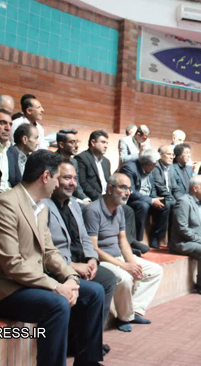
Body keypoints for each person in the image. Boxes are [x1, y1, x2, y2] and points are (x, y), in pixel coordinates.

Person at [0, 150, 106, 366]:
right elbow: (12, 265)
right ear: (46, 176)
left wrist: (71, 278)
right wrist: (56, 286)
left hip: (28, 282)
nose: (59, 184)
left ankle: (87, 362)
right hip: (2, 289)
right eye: (58, 178)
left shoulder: (40, 207)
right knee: (58, 304)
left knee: (95, 292)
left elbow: (50, 252)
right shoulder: (4, 205)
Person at [42, 161, 117, 354]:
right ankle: (82, 344)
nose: (72, 183)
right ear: (53, 179)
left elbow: (84, 237)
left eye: (75, 179)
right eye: (67, 178)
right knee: (94, 289)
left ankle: (90, 339)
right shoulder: (43, 206)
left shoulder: (75, 204)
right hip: (59, 268)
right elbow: (45, 249)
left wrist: (92, 259)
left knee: (108, 279)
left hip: (82, 262)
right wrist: (73, 266)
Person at [84, 173, 163, 332]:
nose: (128, 193)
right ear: (110, 188)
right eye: (123, 188)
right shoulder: (93, 210)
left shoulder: (119, 209)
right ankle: (124, 317)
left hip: (118, 257)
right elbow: (93, 248)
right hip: (101, 260)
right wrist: (124, 266)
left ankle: (135, 310)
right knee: (124, 278)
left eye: (129, 189)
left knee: (155, 270)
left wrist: (132, 264)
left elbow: (122, 240)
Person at [118, 149, 170, 247]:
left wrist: (155, 198)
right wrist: (151, 200)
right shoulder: (129, 168)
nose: (155, 166)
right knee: (143, 206)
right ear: (147, 164)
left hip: (146, 197)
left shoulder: (150, 168)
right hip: (131, 200)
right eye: (154, 164)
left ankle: (155, 236)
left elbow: (152, 188)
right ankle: (137, 239)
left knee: (165, 204)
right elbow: (130, 192)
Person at [75, 130, 111, 202]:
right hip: (94, 199)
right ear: (93, 142)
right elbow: (83, 183)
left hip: (108, 198)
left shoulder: (106, 162)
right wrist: (101, 199)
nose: (106, 146)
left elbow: (109, 182)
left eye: (107, 143)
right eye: (103, 142)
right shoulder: (82, 158)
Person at [56, 128, 89, 204]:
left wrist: (85, 199)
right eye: (72, 142)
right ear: (61, 145)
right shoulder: (52, 160)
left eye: (77, 142)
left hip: (72, 198)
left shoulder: (74, 162)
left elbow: (77, 186)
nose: (76, 146)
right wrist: (79, 201)